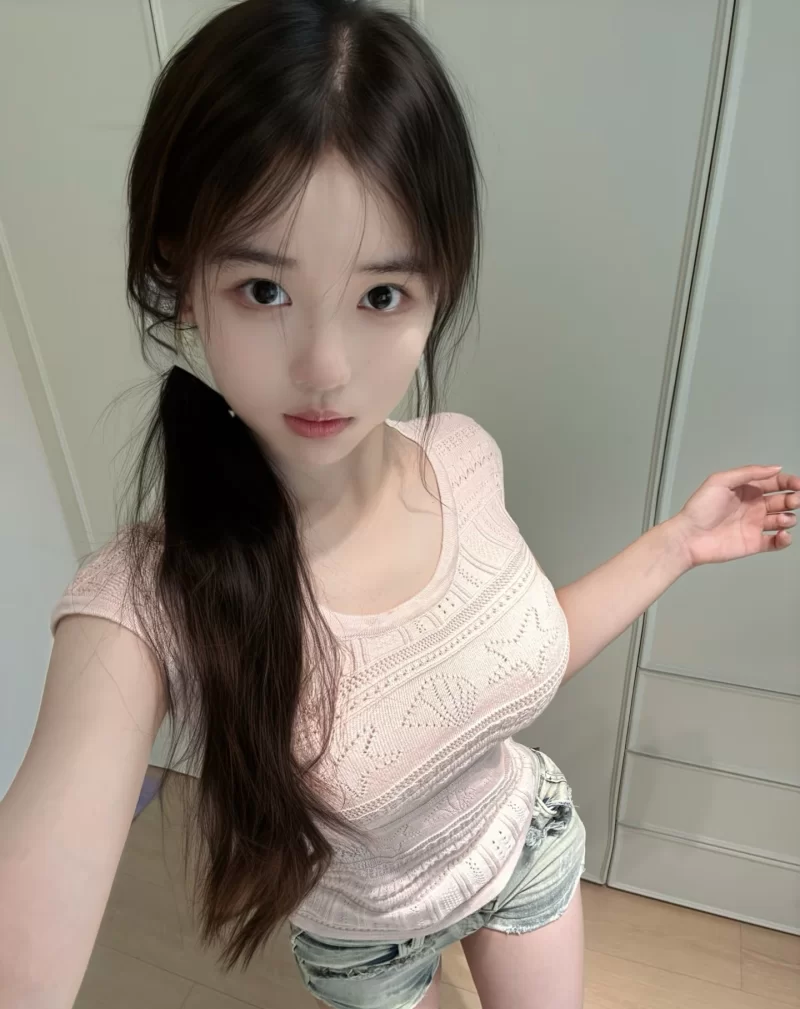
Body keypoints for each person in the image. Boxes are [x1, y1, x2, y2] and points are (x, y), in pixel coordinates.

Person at [1, 1, 797, 1007]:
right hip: (364, 942)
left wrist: (678, 541)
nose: (325, 368)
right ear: (183, 279)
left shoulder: (461, 456)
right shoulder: (149, 601)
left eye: (380, 295)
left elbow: (509, 648)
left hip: (524, 847)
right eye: (262, 288)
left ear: (434, 291)